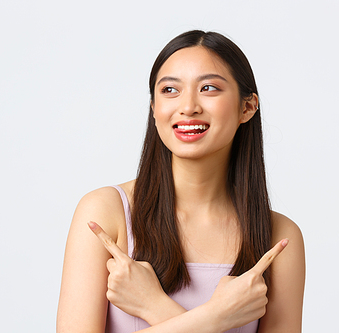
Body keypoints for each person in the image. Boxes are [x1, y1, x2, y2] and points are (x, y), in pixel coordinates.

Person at [57, 30, 305, 333]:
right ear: (154, 108)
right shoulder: (106, 212)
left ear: (247, 107)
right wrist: (216, 318)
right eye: (170, 90)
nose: (188, 106)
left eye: (209, 88)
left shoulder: (278, 238)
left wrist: (153, 305)